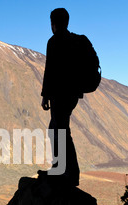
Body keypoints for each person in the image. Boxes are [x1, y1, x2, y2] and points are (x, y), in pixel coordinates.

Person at [39, 8, 83, 186]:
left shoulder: (54, 41)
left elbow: (50, 70)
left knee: (59, 131)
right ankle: (61, 169)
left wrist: (45, 96)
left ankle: (67, 172)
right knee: (58, 129)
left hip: (59, 94)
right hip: (72, 94)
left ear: (53, 23)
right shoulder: (74, 41)